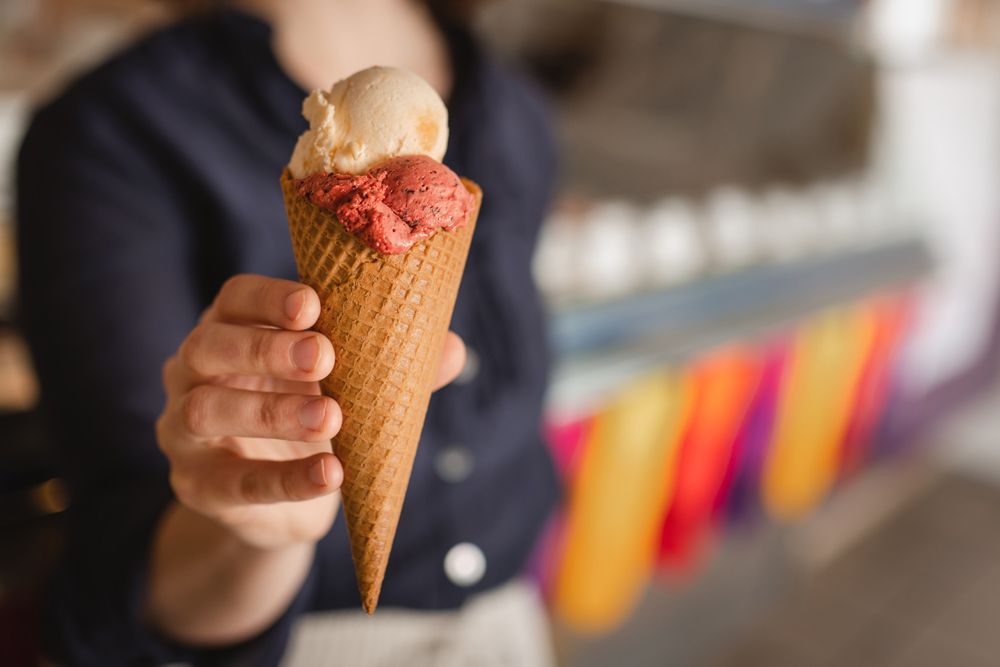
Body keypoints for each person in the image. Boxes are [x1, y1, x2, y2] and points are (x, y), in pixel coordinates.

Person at [16, 0, 559, 664]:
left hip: (511, 630)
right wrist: (253, 531)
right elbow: (115, 584)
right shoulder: (108, 130)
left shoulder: (518, 111)